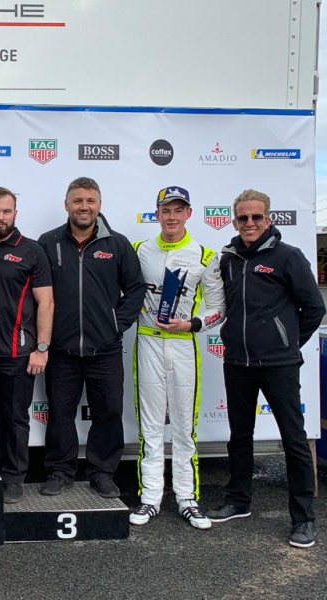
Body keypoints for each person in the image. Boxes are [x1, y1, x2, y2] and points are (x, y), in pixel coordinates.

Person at [206, 189, 324, 549]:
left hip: (279, 364)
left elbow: (314, 309)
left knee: (294, 440)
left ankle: (303, 518)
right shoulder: (227, 259)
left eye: (257, 217)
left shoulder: (288, 257)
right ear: (234, 220)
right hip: (237, 362)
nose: (250, 223)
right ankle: (239, 501)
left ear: (268, 219)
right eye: (243, 217)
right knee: (239, 436)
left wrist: (285, 344)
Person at [37, 177, 144, 498]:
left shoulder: (118, 244)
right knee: (59, 414)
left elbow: (136, 288)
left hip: (106, 350)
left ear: (99, 205)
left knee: (109, 412)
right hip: (60, 350)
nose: (84, 207)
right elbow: (36, 294)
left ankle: (102, 473)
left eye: (90, 201)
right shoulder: (48, 242)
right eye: (78, 200)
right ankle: (59, 471)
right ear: (67, 204)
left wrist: (116, 324)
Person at [131, 187, 225, 529]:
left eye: (178, 210)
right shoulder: (139, 250)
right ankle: (150, 497)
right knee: (151, 425)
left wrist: (193, 324)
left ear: (189, 213)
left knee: (185, 426)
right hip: (149, 342)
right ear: (156, 213)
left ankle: (187, 498)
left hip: (184, 344)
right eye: (165, 210)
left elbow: (218, 308)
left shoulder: (204, 255)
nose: (171, 217)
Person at [0, 187, 53, 503]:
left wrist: (41, 347)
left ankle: (15, 478)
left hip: (19, 353)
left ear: (15, 214)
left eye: (6, 211)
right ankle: (0, 471)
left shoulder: (31, 251)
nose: (0, 217)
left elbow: (46, 302)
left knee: (16, 417)